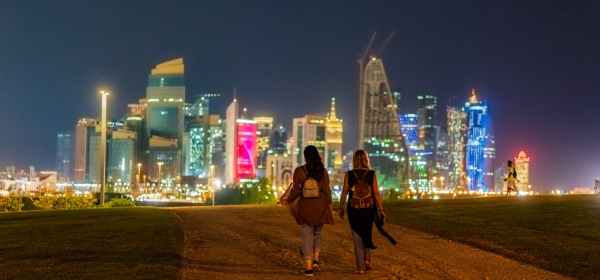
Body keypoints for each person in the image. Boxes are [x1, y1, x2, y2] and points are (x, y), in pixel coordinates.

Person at [285, 145, 334, 277]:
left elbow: (295, 191)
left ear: (305, 156)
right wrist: (329, 204)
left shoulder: (300, 171)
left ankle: (308, 268)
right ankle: (316, 259)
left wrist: (288, 200)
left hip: (306, 206)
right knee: (317, 232)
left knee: (307, 234)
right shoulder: (322, 171)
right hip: (321, 205)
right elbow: (327, 191)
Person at [338, 150, 385, 274]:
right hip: (368, 208)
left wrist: (341, 207)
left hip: (354, 209)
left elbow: (344, 192)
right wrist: (381, 209)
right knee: (367, 234)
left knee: (357, 238)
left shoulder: (349, 175)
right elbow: (376, 193)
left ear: (354, 160)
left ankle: (360, 268)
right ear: (366, 159)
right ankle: (367, 260)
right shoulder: (371, 174)